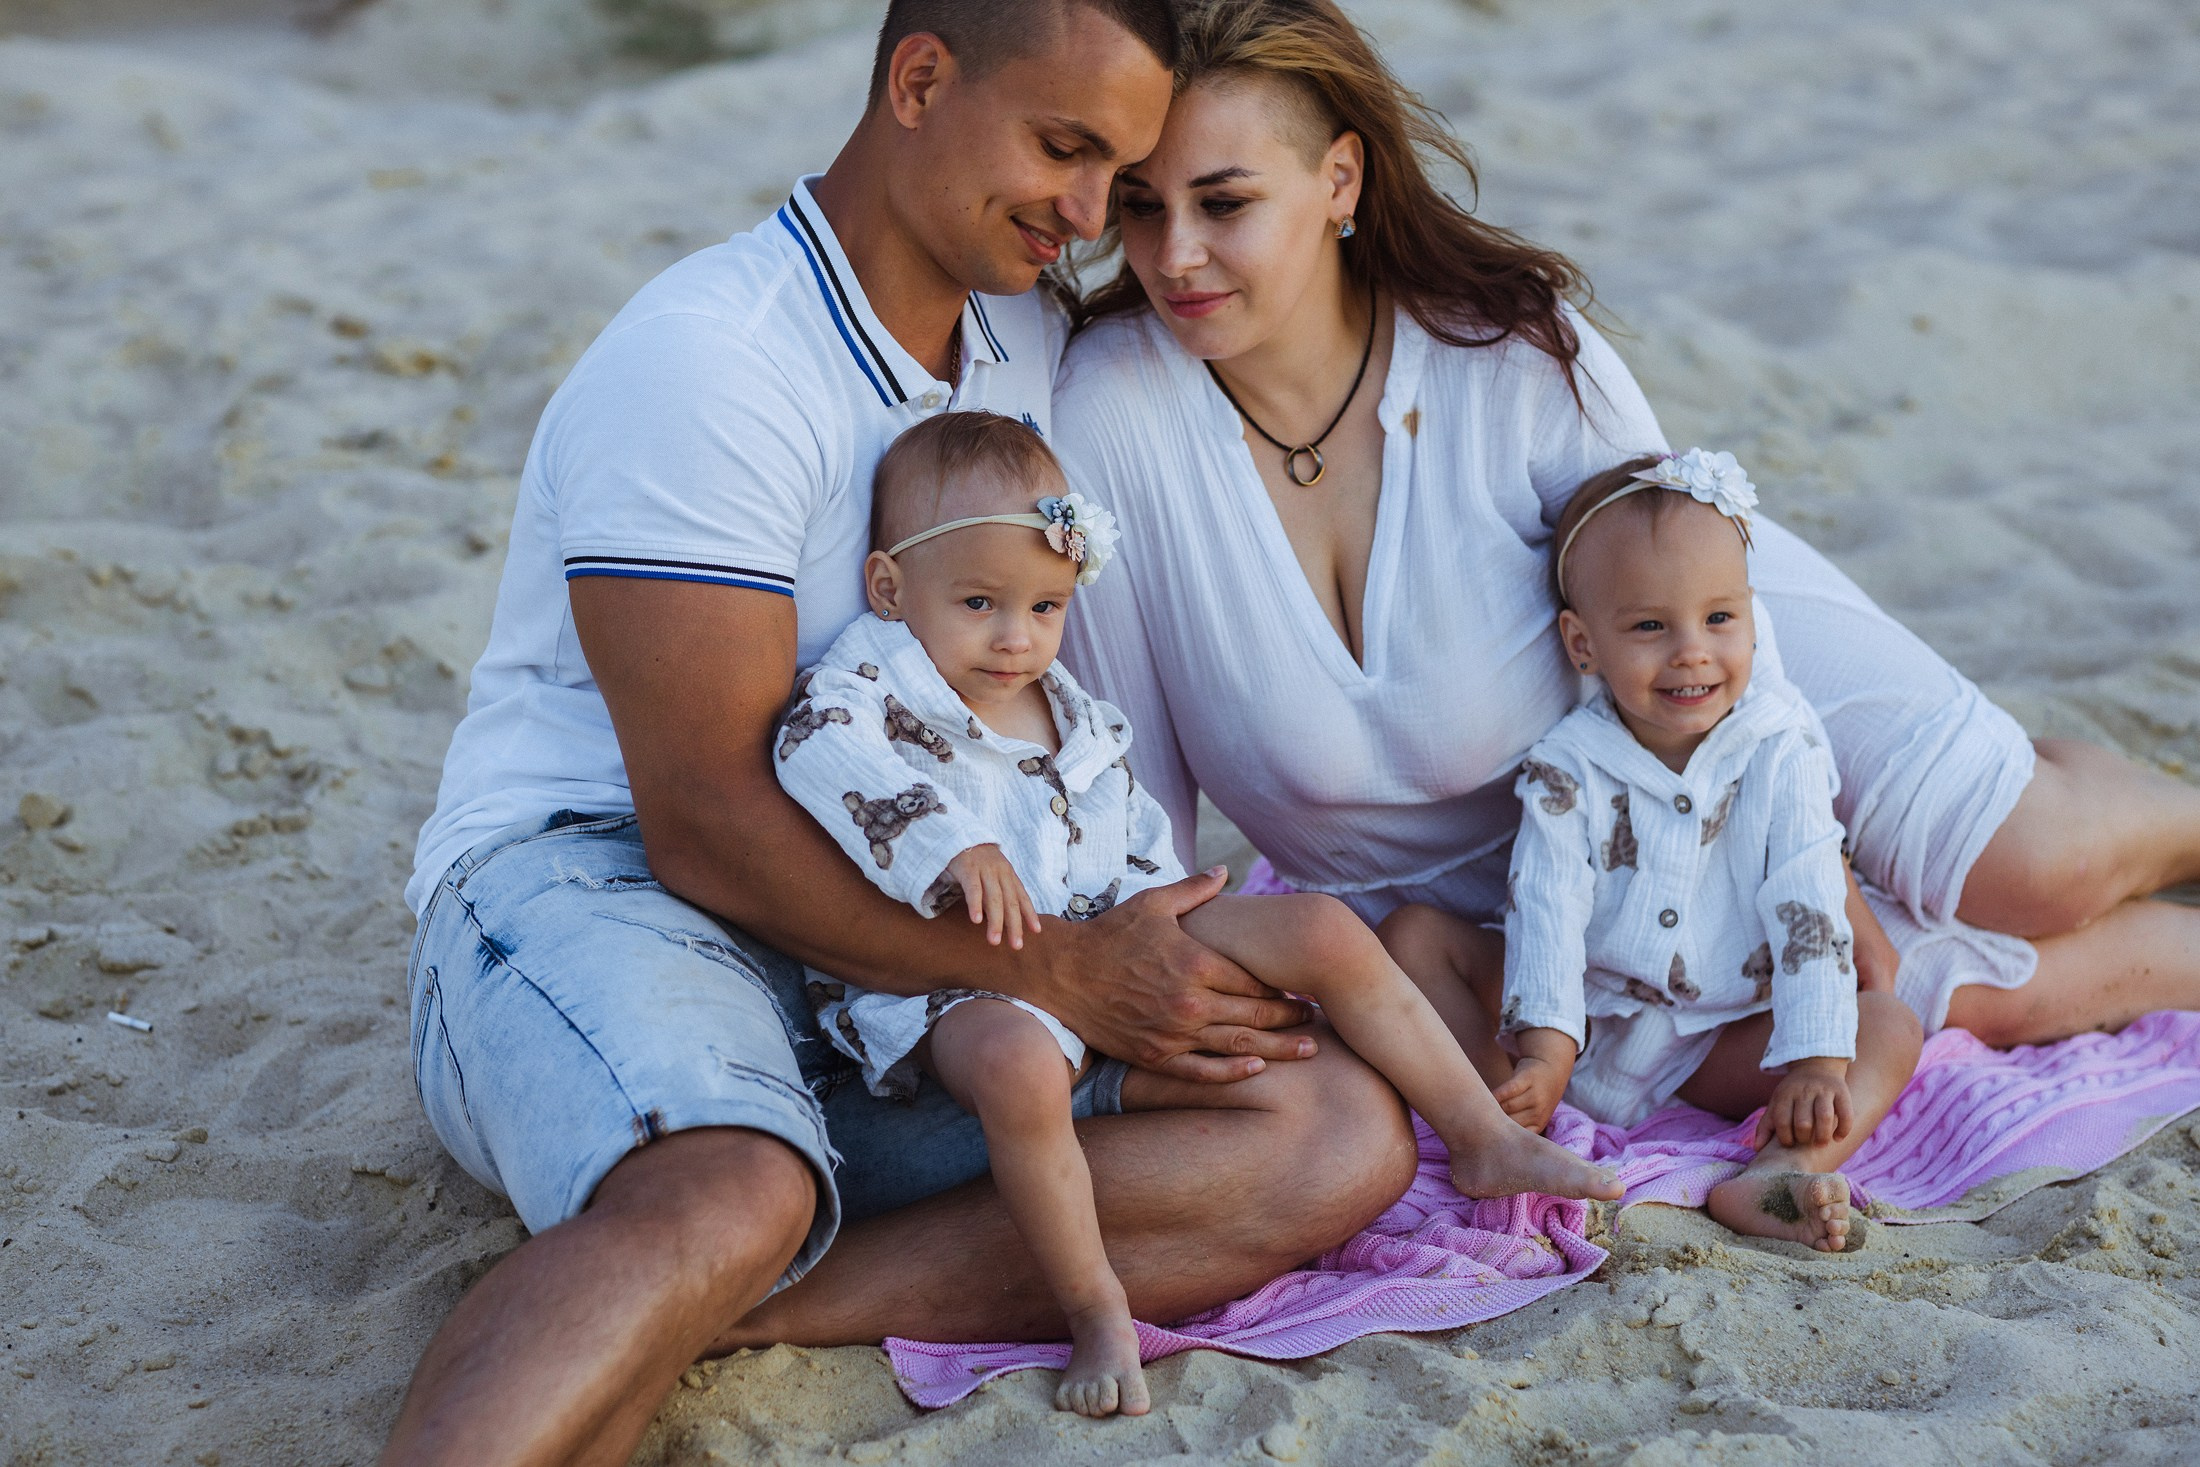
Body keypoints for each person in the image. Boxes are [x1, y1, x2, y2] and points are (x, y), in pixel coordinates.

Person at [384, 6, 1423, 1464]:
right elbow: (699, 819)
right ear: (920, 79)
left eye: (1111, 172)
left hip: (913, 932)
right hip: (605, 886)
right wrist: (1064, 966)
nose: (1085, 217)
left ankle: (727, 1311)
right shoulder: (713, 363)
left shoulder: (1024, 332)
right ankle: (693, 1258)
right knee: (731, 1187)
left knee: (1329, 1129)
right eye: (1063, 149)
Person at [1054, 0, 2200, 1131]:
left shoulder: (1499, 351)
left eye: (1225, 203)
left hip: (1702, 641)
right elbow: (1129, 806)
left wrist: (1806, 849)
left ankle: (2146, 807)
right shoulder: (1109, 415)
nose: (1173, 255)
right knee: (1955, 993)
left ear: (1339, 181)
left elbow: (1674, 552)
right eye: (1143, 207)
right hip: (1553, 872)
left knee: (2032, 866)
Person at [774, 412, 1623, 1413]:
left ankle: (1478, 1132)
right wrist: (947, 844)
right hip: (948, 982)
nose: (1017, 638)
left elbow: (1125, 829)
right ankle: (1094, 1306)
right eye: (979, 603)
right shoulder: (870, 679)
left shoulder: (1069, 707)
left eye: (1046, 606)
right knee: (1015, 1069)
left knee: (1314, 929)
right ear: (887, 588)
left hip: (1109, 930)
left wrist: (1165, 923)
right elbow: (812, 747)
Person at [1386, 450, 1924, 1252]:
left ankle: (1779, 1169)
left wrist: (1814, 1058)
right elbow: (1547, 909)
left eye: (1719, 618)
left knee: (1887, 1025)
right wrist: (1546, 1047)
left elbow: (1808, 895)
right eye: (1648, 626)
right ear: (1583, 643)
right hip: (1591, 1015)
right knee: (1413, 939)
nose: (1691, 651)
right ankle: (1506, 1107)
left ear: (1752, 616)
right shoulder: (1568, 766)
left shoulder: (1778, 747)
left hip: (1715, 1037)